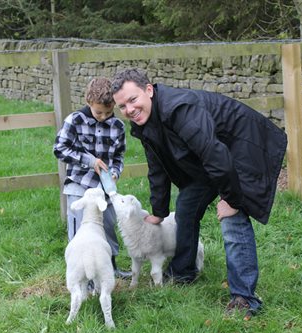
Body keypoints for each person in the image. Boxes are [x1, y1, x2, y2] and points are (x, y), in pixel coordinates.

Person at [111, 68, 287, 319]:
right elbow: (157, 166)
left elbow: (217, 155)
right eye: (122, 106)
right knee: (186, 207)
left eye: (133, 99)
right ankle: (183, 273)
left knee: (232, 219)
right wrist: (159, 211)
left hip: (241, 146)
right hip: (208, 160)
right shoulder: (145, 122)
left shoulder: (180, 109)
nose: (129, 109)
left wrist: (232, 200)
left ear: (149, 90)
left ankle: (244, 299)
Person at [53, 77, 131, 279]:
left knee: (108, 227)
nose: (104, 117)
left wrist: (114, 172)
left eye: (109, 112)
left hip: (105, 189)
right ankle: (81, 277)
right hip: (79, 186)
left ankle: (110, 268)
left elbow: (118, 156)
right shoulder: (75, 120)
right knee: (82, 233)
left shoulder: (118, 126)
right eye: (98, 112)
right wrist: (90, 161)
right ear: (88, 102)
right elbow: (60, 149)